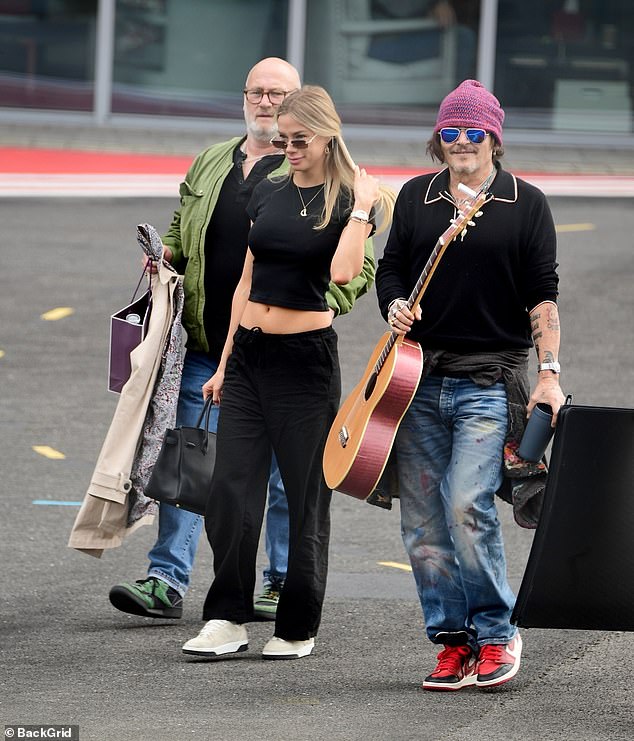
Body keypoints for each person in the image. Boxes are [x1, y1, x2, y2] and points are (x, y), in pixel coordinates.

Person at [108, 59, 375, 623]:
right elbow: (184, 223)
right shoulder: (213, 160)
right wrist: (168, 256)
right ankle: (167, 579)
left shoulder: (318, 175)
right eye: (255, 91)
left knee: (282, 477)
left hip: (288, 349)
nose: (264, 102)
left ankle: (278, 582)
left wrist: (313, 305)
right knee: (191, 462)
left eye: (277, 93)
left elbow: (361, 269)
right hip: (210, 339)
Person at [181, 85, 395, 660]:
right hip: (250, 356)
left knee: (305, 499)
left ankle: (296, 627)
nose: (289, 148)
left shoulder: (356, 198)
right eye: (282, 139)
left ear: (329, 136)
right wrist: (225, 361)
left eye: (300, 140)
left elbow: (347, 271)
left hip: (305, 364)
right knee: (230, 491)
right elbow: (245, 281)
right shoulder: (266, 187)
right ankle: (227, 617)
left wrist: (358, 207)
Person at [375, 79, 565, 690]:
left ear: (494, 138)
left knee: (466, 505)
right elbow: (392, 269)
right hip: (417, 384)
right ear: (439, 139)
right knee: (422, 521)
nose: (461, 142)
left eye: (473, 131)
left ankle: (495, 632)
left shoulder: (525, 203)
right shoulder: (415, 197)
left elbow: (543, 293)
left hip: (490, 383)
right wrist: (396, 303)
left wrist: (550, 375)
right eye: (450, 132)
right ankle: (452, 639)